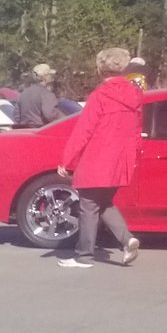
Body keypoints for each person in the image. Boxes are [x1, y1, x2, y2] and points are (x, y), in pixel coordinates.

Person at [56, 47, 143, 268]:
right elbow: (136, 131)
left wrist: (66, 160)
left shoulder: (100, 95)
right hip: (120, 160)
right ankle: (127, 239)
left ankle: (84, 256)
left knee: (88, 205)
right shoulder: (135, 95)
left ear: (100, 68)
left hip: (97, 158)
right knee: (103, 203)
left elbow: (83, 131)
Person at [13, 64, 64, 128]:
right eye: (50, 75)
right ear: (45, 77)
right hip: (41, 130)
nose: (51, 77)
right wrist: (65, 120)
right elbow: (50, 115)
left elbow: (17, 117)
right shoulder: (47, 94)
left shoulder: (23, 94)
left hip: (26, 131)